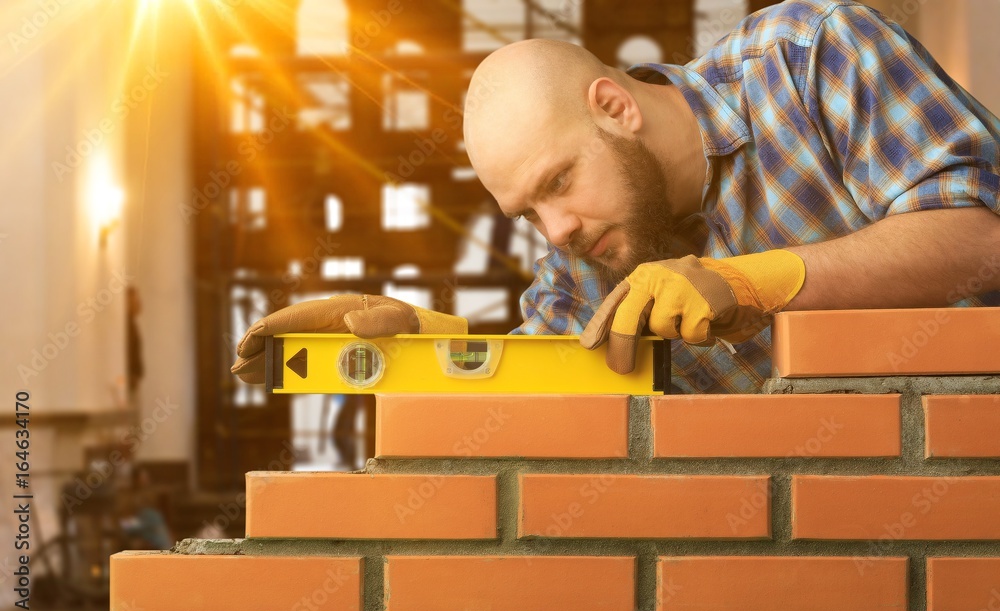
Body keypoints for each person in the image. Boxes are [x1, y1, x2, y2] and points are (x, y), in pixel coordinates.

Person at [232, 0, 1000, 394]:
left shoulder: (812, 58)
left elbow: (981, 238)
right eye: (528, 212)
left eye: (558, 181)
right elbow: (538, 394)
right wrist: (413, 352)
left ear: (615, 106)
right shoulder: (590, 257)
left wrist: (752, 282)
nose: (555, 229)